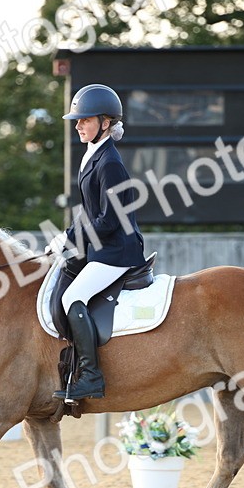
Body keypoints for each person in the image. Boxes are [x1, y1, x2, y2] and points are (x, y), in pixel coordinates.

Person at [45, 83, 146, 402]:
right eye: (77, 120)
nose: (78, 124)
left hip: (118, 251)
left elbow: (109, 220)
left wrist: (72, 238)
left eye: (85, 120)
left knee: (72, 296)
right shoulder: (93, 155)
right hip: (101, 247)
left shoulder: (110, 164)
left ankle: (91, 375)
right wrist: (65, 237)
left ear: (105, 122)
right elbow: (89, 213)